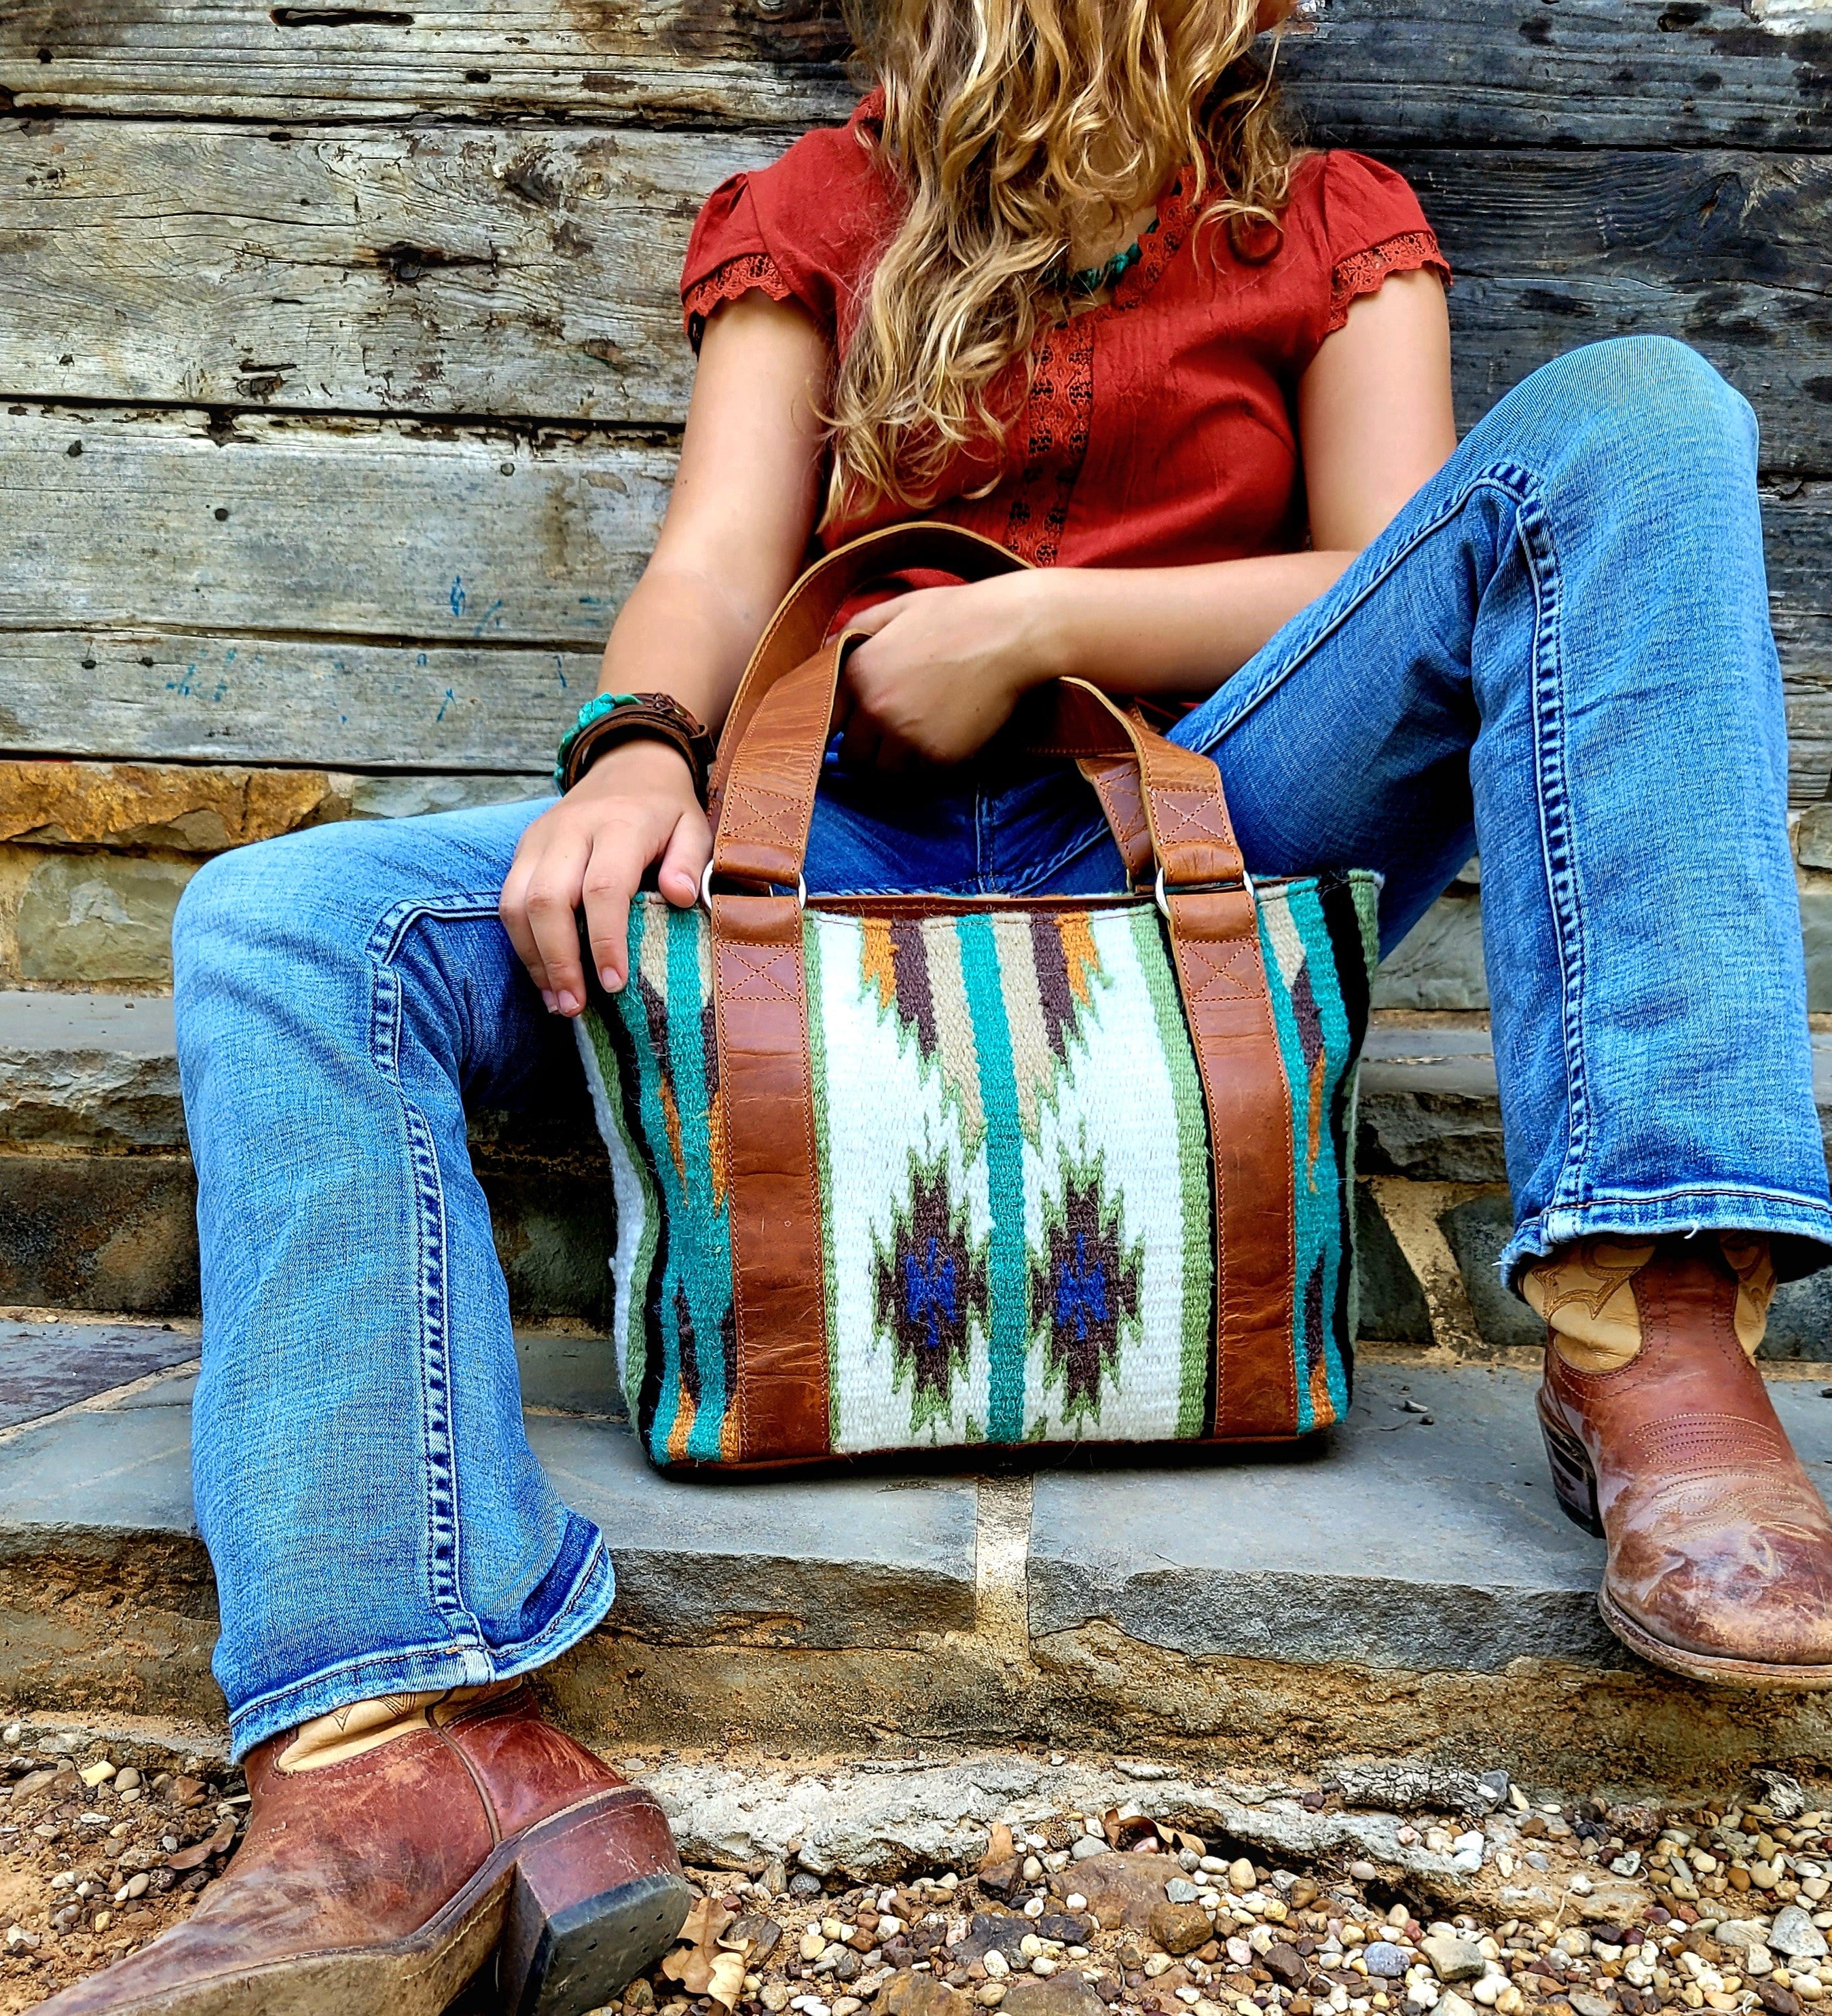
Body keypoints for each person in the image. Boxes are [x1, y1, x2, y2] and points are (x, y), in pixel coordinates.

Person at [50, 0, 1832, 2006]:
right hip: (832, 864)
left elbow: (1385, 567)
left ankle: (1654, 1325)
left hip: (1220, 826)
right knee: (289, 921)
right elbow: (719, 565)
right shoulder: (819, 212)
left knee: (1636, 418)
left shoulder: (1333, 224)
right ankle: (396, 1752)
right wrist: (634, 753)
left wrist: (1033, 626)